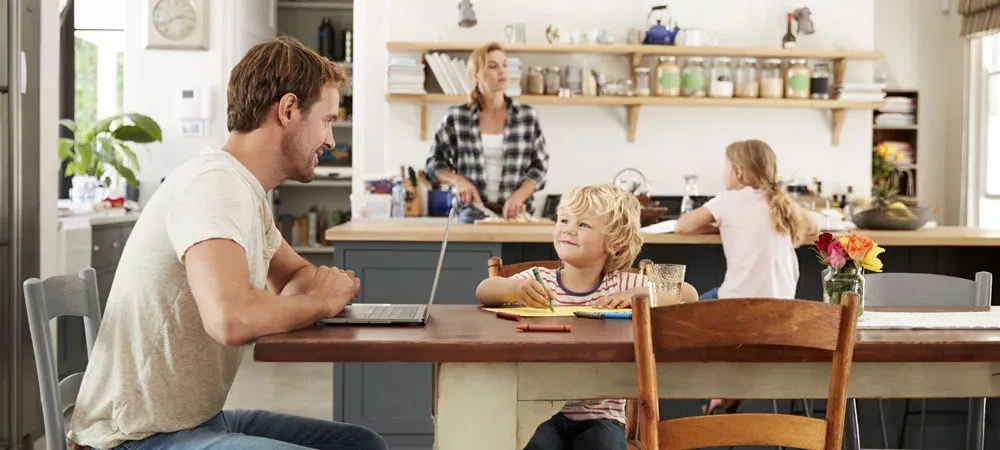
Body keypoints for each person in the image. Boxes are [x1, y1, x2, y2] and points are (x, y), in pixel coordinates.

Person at [67, 36, 387, 450]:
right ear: (288, 110)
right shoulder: (214, 186)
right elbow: (230, 319)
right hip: (134, 436)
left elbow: (295, 275)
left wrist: (304, 293)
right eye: (326, 121)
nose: (329, 141)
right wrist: (320, 302)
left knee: (362, 445)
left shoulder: (242, 189)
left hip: (195, 420)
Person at [475, 184, 697, 450]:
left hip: (602, 417)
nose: (568, 228)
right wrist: (515, 288)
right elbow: (484, 290)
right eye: (564, 220)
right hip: (541, 412)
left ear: (613, 242)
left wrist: (641, 291)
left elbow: (689, 293)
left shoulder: (622, 284)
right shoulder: (539, 279)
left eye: (583, 225)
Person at [674, 138, 818, 414]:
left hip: (737, 310)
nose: (722, 173)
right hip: (783, 315)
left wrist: (717, 225)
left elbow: (683, 225)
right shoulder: (782, 202)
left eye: (725, 167)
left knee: (675, 315)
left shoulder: (728, 200)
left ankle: (722, 387)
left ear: (738, 172)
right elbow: (812, 223)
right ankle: (728, 389)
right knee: (735, 332)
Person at [425, 42, 549, 220]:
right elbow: (433, 164)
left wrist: (519, 195)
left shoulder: (527, 116)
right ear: (476, 75)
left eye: (505, 65)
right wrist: (459, 181)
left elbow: (540, 166)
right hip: (471, 212)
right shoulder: (457, 116)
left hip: (516, 215)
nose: (502, 71)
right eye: (493, 66)